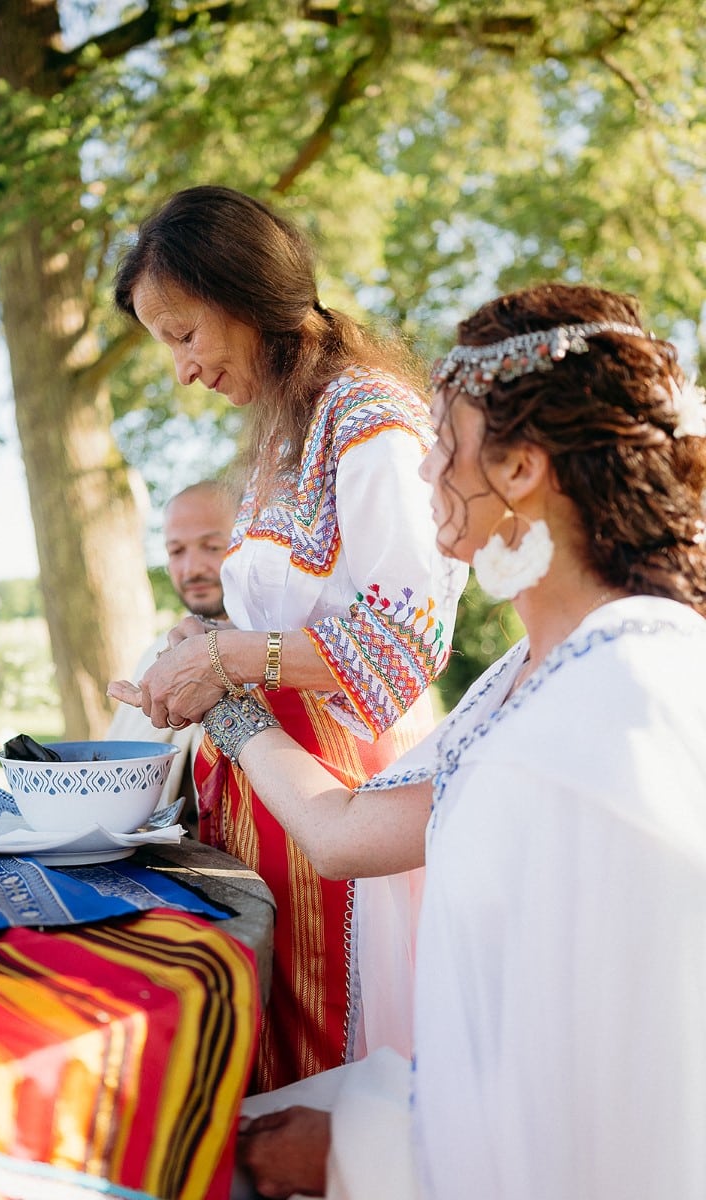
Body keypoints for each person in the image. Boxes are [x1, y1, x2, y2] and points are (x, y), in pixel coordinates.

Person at [192, 282, 706, 1199]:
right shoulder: (522, 683)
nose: (420, 471)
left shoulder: (628, 707)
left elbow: (623, 1103)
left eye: (441, 443)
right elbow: (344, 832)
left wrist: (357, 1152)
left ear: (519, 470)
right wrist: (226, 701)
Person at [107, 185, 468, 1091]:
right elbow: (284, 618)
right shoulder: (279, 433)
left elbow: (402, 640)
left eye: (184, 334)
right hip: (267, 789)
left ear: (243, 293)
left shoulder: (372, 417)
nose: (183, 370)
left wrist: (226, 658)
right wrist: (197, 648)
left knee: (330, 1073)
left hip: (342, 796)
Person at [107, 480, 237, 829]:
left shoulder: (278, 649)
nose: (192, 568)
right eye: (176, 551)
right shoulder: (154, 653)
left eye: (212, 546)